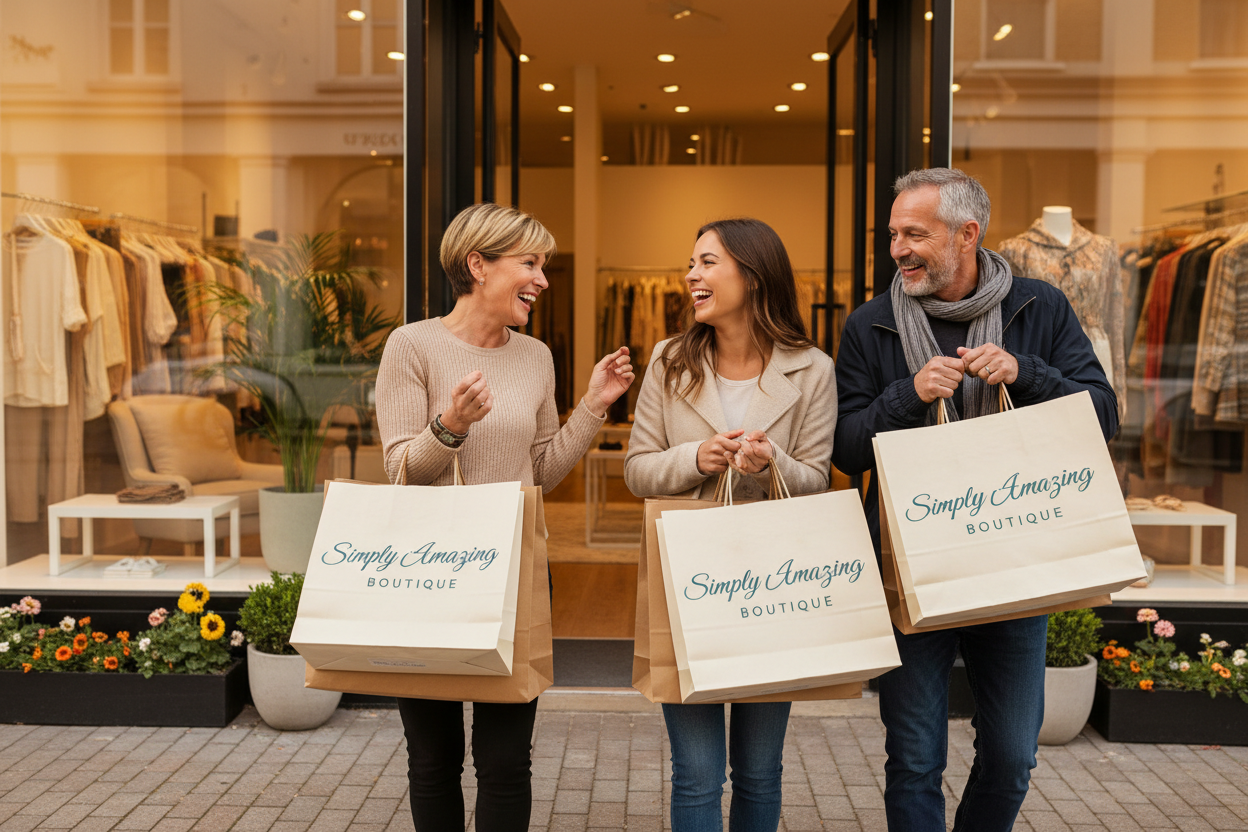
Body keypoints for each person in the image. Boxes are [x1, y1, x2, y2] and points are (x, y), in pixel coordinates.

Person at [832, 168, 1117, 832]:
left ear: (968, 234)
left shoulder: (1038, 308)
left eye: (914, 234)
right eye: (893, 234)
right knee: (913, 758)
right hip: (912, 568)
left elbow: (1102, 415)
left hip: (1016, 561)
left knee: (1014, 755)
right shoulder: (871, 325)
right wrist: (908, 394)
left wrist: (1029, 372)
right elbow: (845, 449)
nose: (898, 249)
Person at [374, 202, 635, 832]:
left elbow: (540, 472)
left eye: (543, 264)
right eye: (530, 263)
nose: (544, 279)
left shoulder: (536, 356)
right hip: (429, 575)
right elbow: (401, 470)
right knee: (433, 758)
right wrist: (451, 427)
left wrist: (593, 407)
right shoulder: (411, 346)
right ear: (477, 265)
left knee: (505, 760)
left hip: (516, 573)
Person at [624, 218, 836, 832]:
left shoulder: (813, 369)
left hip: (774, 585)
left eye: (708, 262)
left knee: (760, 771)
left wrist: (772, 463)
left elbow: (817, 483)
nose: (692, 275)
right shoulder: (669, 359)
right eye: (692, 262)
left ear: (753, 273)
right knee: (695, 772)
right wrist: (698, 457)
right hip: (688, 582)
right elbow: (637, 470)